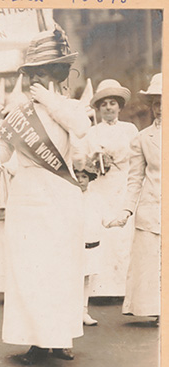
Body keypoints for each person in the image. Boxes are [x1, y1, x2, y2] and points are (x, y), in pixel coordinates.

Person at [0, 26, 91, 364]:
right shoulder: (16, 114)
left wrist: (50, 101)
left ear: (57, 74)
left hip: (60, 194)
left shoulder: (67, 107)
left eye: (45, 73)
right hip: (28, 195)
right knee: (30, 269)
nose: (38, 80)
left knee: (61, 268)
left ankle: (59, 337)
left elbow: (82, 128)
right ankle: (34, 339)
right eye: (34, 74)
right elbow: (0, 154)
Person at [74, 79, 139, 298]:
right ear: (99, 108)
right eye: (104, 104)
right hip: (101, 186)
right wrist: (92, 161)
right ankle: (101, 288)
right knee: (102, 232)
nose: (109, 108)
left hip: (123, 185)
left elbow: (137, 159)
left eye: (113, 103)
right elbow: (80, 161)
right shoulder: (92, 133)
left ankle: (124, 288)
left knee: (123, 235)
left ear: (120, 107)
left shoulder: (130, 130)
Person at [105, 73, 161, 324]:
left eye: (164, 100)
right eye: (155, 102)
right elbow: (135, 179)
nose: (159, 107)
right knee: (152, 264)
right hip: (152, 208)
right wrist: (126, 211)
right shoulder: (142, 138)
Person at [75, 156, 107, 326]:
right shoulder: (69, 197)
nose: (80, 180)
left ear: (90, 179)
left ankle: (83, 311)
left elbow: (104, 218)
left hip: (89, 244)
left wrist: (116, 220)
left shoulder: (95, 198)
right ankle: (71, 312)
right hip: (73, 246)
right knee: (73, 278)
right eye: (78, 176)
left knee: (86, 278)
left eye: (84, 177)